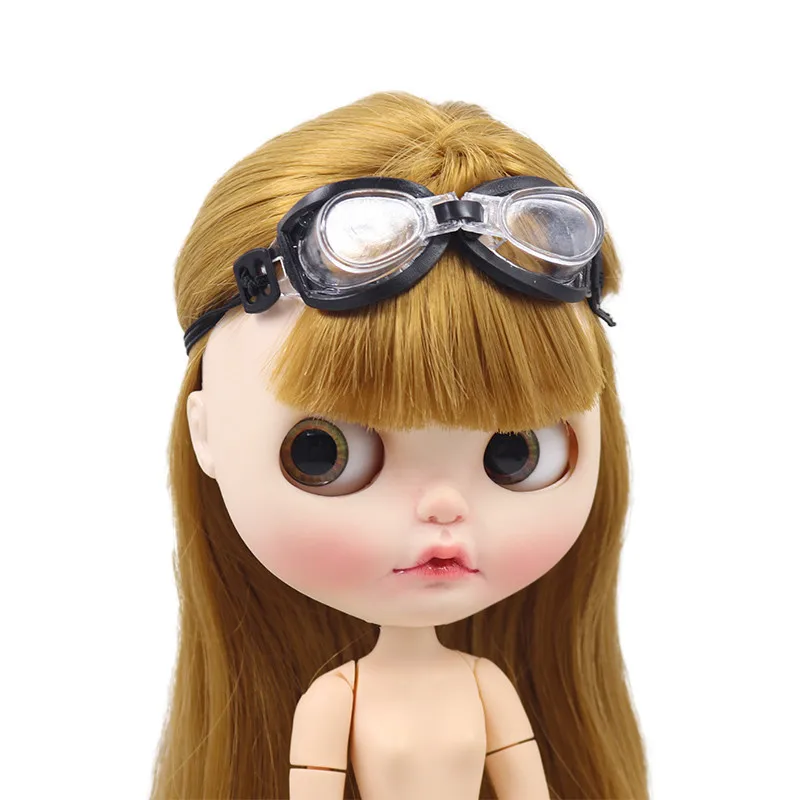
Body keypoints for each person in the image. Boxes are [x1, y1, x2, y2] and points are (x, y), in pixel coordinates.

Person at [152, 91, 648, 799]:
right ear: (205, 433)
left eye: (516, 453)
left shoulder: (484, 684)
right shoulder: (337, 698)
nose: (444, 508)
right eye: (324, 454)